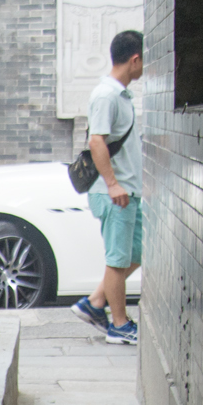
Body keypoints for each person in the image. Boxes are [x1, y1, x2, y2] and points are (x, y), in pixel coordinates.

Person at [72, 29, 145, 347]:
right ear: (135, 59)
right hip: (113, 193)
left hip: (128, 190)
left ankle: (94, 302)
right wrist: (113, 184)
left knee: (136, 254)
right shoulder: (106, 95)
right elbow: (96, 140)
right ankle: (119, 325)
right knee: (117, 261)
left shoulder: (120, 95)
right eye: (145, 62)